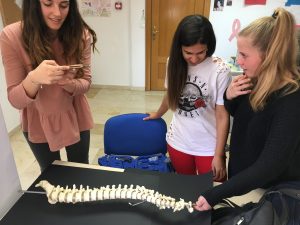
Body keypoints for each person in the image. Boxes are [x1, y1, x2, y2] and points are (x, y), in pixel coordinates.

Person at [194, 7, 300, 211]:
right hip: (241, 181)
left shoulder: (292, 101)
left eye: (244, 55)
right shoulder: (253, 79)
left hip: (266, 193)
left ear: (270, 56)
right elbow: (240, 115)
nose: (239, 61)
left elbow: (268, 167)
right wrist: (229, 96)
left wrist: (215, 194)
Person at [0, 0, 97, 172]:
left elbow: (86, 82)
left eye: (64, 5)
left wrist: (69, 83)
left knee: (82, 171)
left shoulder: (81, 34)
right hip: (37, 118)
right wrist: (34, 78)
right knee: (52, 175)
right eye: (48, 3)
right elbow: (15, 100)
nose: (57, 13)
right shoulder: (11, 36)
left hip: (75, 113)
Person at [144, 15, 231, 182]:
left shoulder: (220, 69)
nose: (194, 58)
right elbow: (171, 94)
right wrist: (158, 113)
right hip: (178, 141)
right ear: (180, 48)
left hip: (209, 146)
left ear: (209, 46)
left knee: (212, 196)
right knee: (185, 191)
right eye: (188, 53)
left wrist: (219, 155)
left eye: (200, 52)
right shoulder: (174, 62)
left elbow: (222, 115)